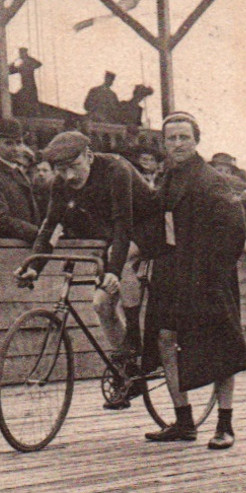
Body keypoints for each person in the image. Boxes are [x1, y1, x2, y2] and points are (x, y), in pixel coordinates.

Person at [139, 113, 246, 448]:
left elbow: (236, 231)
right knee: (164, 337)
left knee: (221, 346)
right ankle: (184, 420)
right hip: (173, 273)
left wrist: (213, 272)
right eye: (171, 138)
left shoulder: (213, 180)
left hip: (208, 276)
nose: (177, 144)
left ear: (196, 140)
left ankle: (225, 424)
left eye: (183, 137)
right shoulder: (168, 179)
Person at [30, 131, 158, 411]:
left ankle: (134, 337)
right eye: (61, 170)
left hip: (150, 226)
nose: (69, 176)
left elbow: (124, 222)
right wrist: (34, 265)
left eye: (74, 167)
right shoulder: (62, 183)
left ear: (89, 156)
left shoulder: (117, 169)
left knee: (116, 263)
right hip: (119, 236)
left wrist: (113, 270)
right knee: (101, 304)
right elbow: (50, 224)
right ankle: (128, 370)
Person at [0, 118, 42, 242]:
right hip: (7, 245)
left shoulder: (17, 170)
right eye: (8, 143)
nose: (15, 148)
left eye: (18, 143)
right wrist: (36, 232)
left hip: (24, 242)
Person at [8, 48, 43, 119]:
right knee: (27, 99)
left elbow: (39, 64)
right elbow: (10, 71)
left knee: (30, 99)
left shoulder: (27, 64)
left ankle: (33, 114)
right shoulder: (22, 65)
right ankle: (31, 114)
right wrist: (13, 64)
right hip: (26, 85)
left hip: (30, 85)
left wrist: (26, 58)